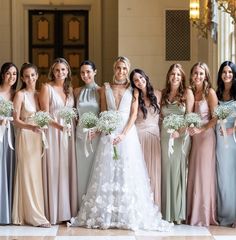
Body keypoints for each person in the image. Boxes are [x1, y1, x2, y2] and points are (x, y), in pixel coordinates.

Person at [68, 56, 172, 231]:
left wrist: (123, 134)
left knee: (127, 172)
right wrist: (103, 129)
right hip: (108, 135)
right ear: (113, 69)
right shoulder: (105, 88)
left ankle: (127, 214)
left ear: (128, 69)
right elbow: (102, 112)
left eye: (124, 68)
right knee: (107, 173)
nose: (121, 72)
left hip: (127, 135)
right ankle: (108, 213)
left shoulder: (134, 89)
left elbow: (132, 114)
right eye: (118, 68)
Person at [39, 57, 77, 224]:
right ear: (52, 72)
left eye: (63, 69)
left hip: (69, 134)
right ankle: (54, 211)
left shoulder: (70, 89)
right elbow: (44, 115)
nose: (60, 72)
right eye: (57, 70)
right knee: (55, 169)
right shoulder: (47, 88)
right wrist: (60, 127)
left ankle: (67, 211)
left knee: (67, 170)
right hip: (55, 134)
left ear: (67, 71)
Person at [12, 63, 50, 227]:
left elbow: (45, 115)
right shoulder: (20, 95)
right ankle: (35, 217)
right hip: (26, 136)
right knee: (27, 175)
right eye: (26, 76)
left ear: (37, 76)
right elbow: (15, 121)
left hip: (37, 138)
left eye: (32, 75)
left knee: (36, 176)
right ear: (22, 78)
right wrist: (31, 127)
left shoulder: (38, 94)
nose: (30, 78)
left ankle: (37, 212)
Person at [160, 63, 194, 224]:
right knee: (166, 172)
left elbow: (189, 118)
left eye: (178, 75)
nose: (175, 77)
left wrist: (178, 132)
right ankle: (166, 212)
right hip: (165, 137)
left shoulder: (187, 93)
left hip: (180, 138)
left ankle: (177, 214)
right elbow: (159, 116)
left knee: (177, 173)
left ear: (182, 78)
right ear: (168, 76)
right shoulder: (163, 93)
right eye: (173, 74)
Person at [187, 62, 218, 226]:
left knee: (204, 174)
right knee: (194, 172)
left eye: (201, 73)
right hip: (194, 138)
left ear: (205, 75)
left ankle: (204, 214)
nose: (198, 76)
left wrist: (201, 129)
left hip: (206, 137)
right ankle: (193, 212)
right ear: (191, 75)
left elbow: (216, 117)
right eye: (195, 73)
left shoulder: (210, 93)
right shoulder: (191, 92)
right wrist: (192, 128)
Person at [130, 68, 162, 206]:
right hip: (139, 138)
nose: (139, 82)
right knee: (139, 174)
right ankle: (140, 206)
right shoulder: (134, 97)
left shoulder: (158, 94)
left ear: (146, 77)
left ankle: (154, 206)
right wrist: (136, 96)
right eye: (136, 80)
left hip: (154, 138)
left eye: (141, 78)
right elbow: (131, 116)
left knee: (154, 173)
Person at [74, 60, 101, 207]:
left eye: (88, 72)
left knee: (94, 170)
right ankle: (79, 206)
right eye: (82, 72)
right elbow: (74, 114)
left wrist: (96, 130)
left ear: (95, 72)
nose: (85, 75)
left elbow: (103, 114)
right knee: (81, 171)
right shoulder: (76, 91)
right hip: (80, 136)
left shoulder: (101, 91)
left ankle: (93, 206)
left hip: (95, 136)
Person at [215, 61, 236, 227]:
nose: (227, 75)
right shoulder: (217, 93)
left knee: (232, 176)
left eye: (230, 72)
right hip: (218, 140)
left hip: (232, 139)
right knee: (221, 177)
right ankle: (223, 213)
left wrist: (232, 130)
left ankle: (233, 215)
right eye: (224, 72)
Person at [0, 62, 18, 224]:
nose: (11, 77)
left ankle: (8, 212)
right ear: (2, 74)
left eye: (14, 74)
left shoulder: (16, 94)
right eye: (8, 73)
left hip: (11, 136)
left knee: (9, 168)